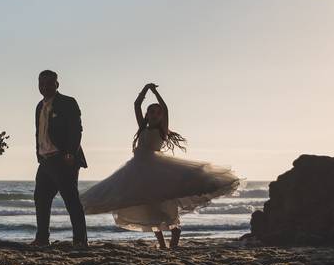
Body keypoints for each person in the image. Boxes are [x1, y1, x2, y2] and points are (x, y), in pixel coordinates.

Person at [81, 83, 240, 249]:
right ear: (147, 115)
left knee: (165, 208)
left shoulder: (162, 130)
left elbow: (165, 108)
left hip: (156, 171)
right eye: (152, 112)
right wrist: (145, 90)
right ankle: (162, 245)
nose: (155, 115)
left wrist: (155, 92)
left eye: (158, 113)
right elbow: (136, 105)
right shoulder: (142, 127)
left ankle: (175, 236)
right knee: (149, 210)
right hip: (138, 172)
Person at [33, 70, 88, 247]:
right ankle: (42, 238)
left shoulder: (68, 103)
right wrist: (38, 154)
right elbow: (39, 132)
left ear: (57, 84)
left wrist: (70, 153)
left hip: (63, 158)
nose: (45, 87)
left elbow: (76, 129)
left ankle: (80, 240)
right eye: (42, 84)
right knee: (40, 198)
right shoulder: (39, 106)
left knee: (71, 199)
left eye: (49, 83)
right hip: (45, 159)